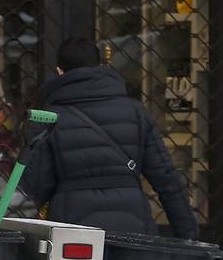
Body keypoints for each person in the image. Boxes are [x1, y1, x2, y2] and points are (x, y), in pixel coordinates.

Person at [19, 37, 198, 239]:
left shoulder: (50, 119)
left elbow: (38, 186)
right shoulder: (135, 112)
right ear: (101, 65)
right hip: (133, 224)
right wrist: (188, 236)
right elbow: (167, 180)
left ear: (59, 71)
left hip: (73, 229)